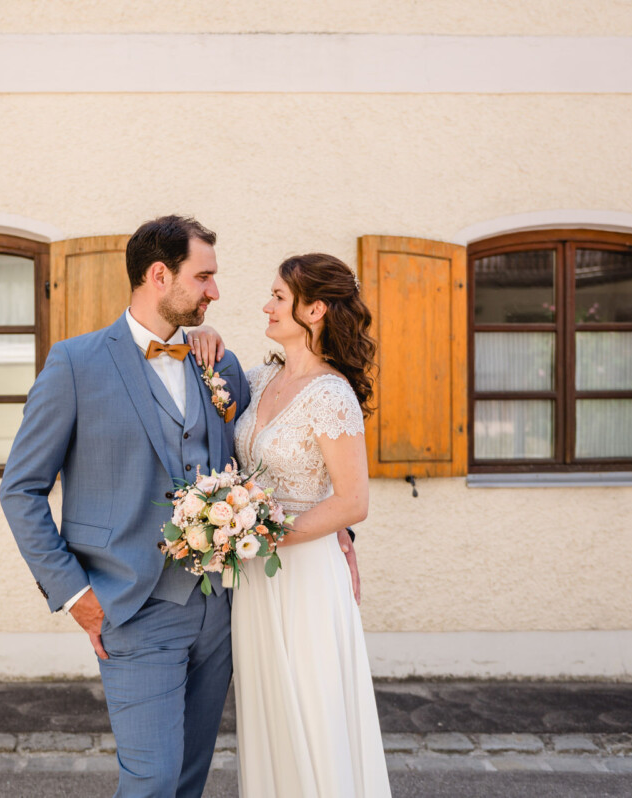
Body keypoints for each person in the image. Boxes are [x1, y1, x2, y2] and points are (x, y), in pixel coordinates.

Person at [0, 215, 252, 797]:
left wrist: (339, 527)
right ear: (159, 275)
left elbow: (271, 448)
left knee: (188, 779)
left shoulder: (221, 364)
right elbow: (21, 489)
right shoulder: (75, 364)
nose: (215, 291)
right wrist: (76, 596)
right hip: (132, 607)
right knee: (151, 781)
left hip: (219, 611)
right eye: (205, 276)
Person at [227, 253, 391, 797]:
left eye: (278, 296)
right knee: (269, 710)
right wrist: (202, 335)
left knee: (313, 713)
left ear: (314, 308)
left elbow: (352, 502)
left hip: (305, 579)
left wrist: (260, 535)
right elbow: (209, 380)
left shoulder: (331, 393)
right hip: (257, 578)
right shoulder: (261, 377)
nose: (267, 305)